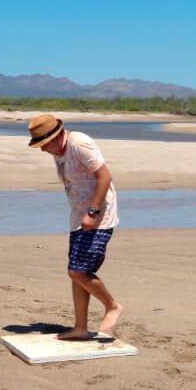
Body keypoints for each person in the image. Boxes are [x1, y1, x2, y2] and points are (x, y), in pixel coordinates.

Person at [28, 113, 123, 340]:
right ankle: (80, 328)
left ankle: (112, 306)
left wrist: (93, 212)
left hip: (99, 217)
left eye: (44, 144)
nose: (42, 150)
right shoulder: (59, 152)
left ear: (57, 136)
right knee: (76, 272)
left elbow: (105, 177)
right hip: (79, 217)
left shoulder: (79, 143)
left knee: (78, 271)